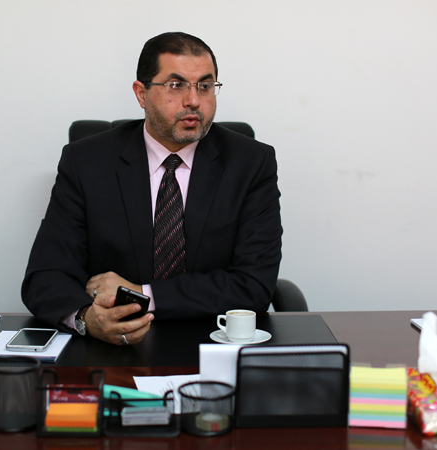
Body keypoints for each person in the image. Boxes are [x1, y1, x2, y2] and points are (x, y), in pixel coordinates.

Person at [22, 32, 282, 346]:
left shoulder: (251, 164)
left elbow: (253, 285)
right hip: (112, 346)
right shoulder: (87, 162)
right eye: (176, 85)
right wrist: (86, 319)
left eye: (205, 86)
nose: (193, 100)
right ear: (141, 93)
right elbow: (46, 275)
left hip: (214, 340)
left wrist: (141, 294)